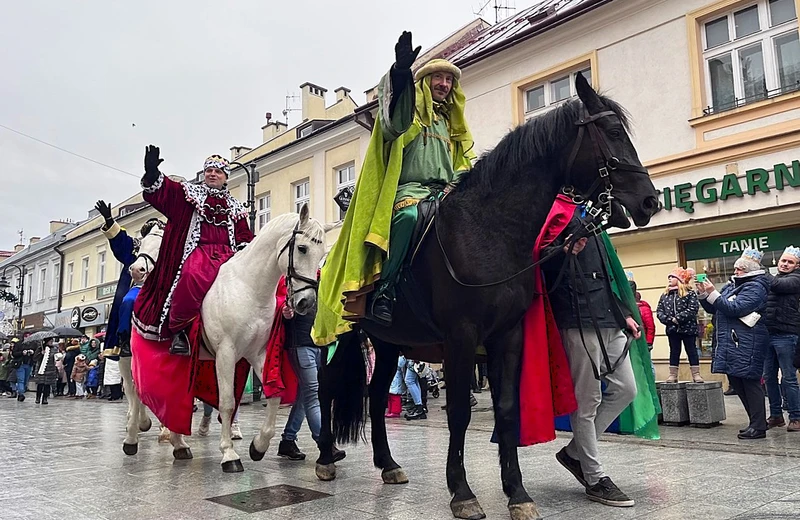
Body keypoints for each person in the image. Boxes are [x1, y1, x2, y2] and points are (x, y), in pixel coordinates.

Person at [313, 31, 475, 342]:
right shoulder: (411, 115)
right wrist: (401, 74)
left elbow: (462, 162)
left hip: (444, 193)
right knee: (410, 219)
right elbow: (393, 120)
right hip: (408, 191)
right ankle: (385, 289)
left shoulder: (450, 122)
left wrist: (458, 182)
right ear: (426, 83)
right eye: (438, 78)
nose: (444, 84)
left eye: (449, 80)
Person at [543, 226, 641, 507]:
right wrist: (562, 251)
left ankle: (574, 453)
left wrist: (624, 313)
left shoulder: (597, 224)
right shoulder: (556, 211)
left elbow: (607, 280)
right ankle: (595, 478)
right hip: (577, 319)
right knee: (587, 401)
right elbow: (535, 260)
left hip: (609, 319)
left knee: (626, 389)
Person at [132, 147, 253, 355]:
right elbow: (166, 193)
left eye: (218, 171)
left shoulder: (235, 207)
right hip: (199, 252)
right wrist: (152, 173)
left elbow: (243, 235)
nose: (213, 174)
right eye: (209, 171)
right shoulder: (189, 194)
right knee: (190, 275)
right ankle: (180, 331)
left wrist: (246, 253)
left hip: (228, 254)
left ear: (226, 178)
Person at [697, 248, 770, 440]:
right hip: (733, 341)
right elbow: (716, 307)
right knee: (738, 381)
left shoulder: (756, 286)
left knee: (750, 382)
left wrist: (713, 293)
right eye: (736, 268)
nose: (735, 271)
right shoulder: (733, 285)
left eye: (739, 269)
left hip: (748, 340)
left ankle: (759, 426)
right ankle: (755, 423)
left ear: (749, 270)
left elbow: (735, 308)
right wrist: (704, 295)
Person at [278, 279, 346, 461]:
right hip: (301, 345)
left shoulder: (320, 282)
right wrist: (286, 313)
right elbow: (283, 308)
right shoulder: (294, 283)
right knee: (313, 393)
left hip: (316, 345)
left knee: (305, 395)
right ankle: (325, 443)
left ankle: (288, 440)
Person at [762, 246, 800, 432]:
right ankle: (776, 415)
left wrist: (760, 271)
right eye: (783, 260)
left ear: (797, 265)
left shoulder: (796, 279)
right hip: (769, 334)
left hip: (787, 334)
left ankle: (796, 417)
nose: (785, 264)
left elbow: (778, 286)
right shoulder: (774, 279)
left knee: (789, 378)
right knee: (769, 377)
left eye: (789, 262)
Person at [656, 267, 701, 383]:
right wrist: (669, 320)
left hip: (688, 329)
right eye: (669, 277)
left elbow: (692, 309)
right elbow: (659, 311)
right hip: (672, 329)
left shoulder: (690, 294)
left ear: (679, 279)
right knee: (674, 351)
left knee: (691, 350)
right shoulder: (665, 295)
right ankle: (673, 375)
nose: (670, 279)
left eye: (672, 277)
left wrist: (678, 319)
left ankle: (696, 374)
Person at [33, 338, 58, 405]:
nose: (51, 342)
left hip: (50, 369)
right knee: (40, 384)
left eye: (52, 341)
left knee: (47, 385)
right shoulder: (40, 348)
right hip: (41, 369)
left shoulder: (54, 349)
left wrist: (58, 357)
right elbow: (35, 358)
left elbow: (56, 357)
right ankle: (38, 398)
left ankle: (45, 398)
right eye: (50, 341)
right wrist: (41, 354)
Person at [11, 338, 35, 402]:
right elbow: (14, 353)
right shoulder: (18, 344)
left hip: (28, 364)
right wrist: (22, 353)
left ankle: (20, 393)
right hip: (20, 364)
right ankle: (21, 394)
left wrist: (32, 353)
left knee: (25, 380)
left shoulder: (33, 344)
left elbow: (36, 356)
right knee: (21, 379)